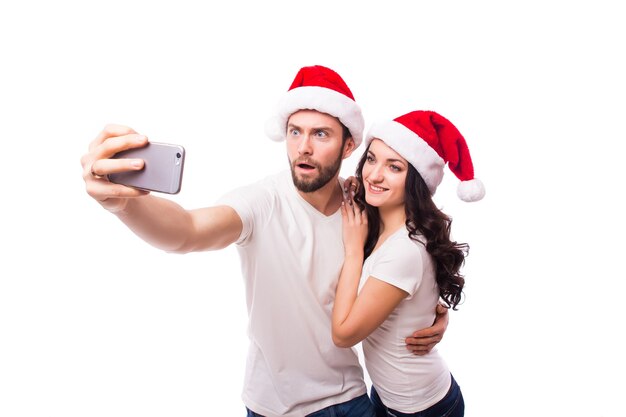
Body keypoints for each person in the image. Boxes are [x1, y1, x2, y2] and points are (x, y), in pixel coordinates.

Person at [81, 65, 450, 417]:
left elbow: (410, 251)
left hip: (351, 396)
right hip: (274, 405)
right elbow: (187, 231)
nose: (303, 146)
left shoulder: (362, 207)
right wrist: (123, 204)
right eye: (295, 131)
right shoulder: (261, 202)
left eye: (320, 134)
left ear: (349, 144)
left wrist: (432, 309)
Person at [332, 110, 485, 417]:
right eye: (372, 159)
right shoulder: (381, 221)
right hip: (390, 394)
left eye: (394, 167)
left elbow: (344, 334)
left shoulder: (404, 249)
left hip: (422, 408)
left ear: (416, 179)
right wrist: (435, 310)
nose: (374, 174)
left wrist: (353, 251)